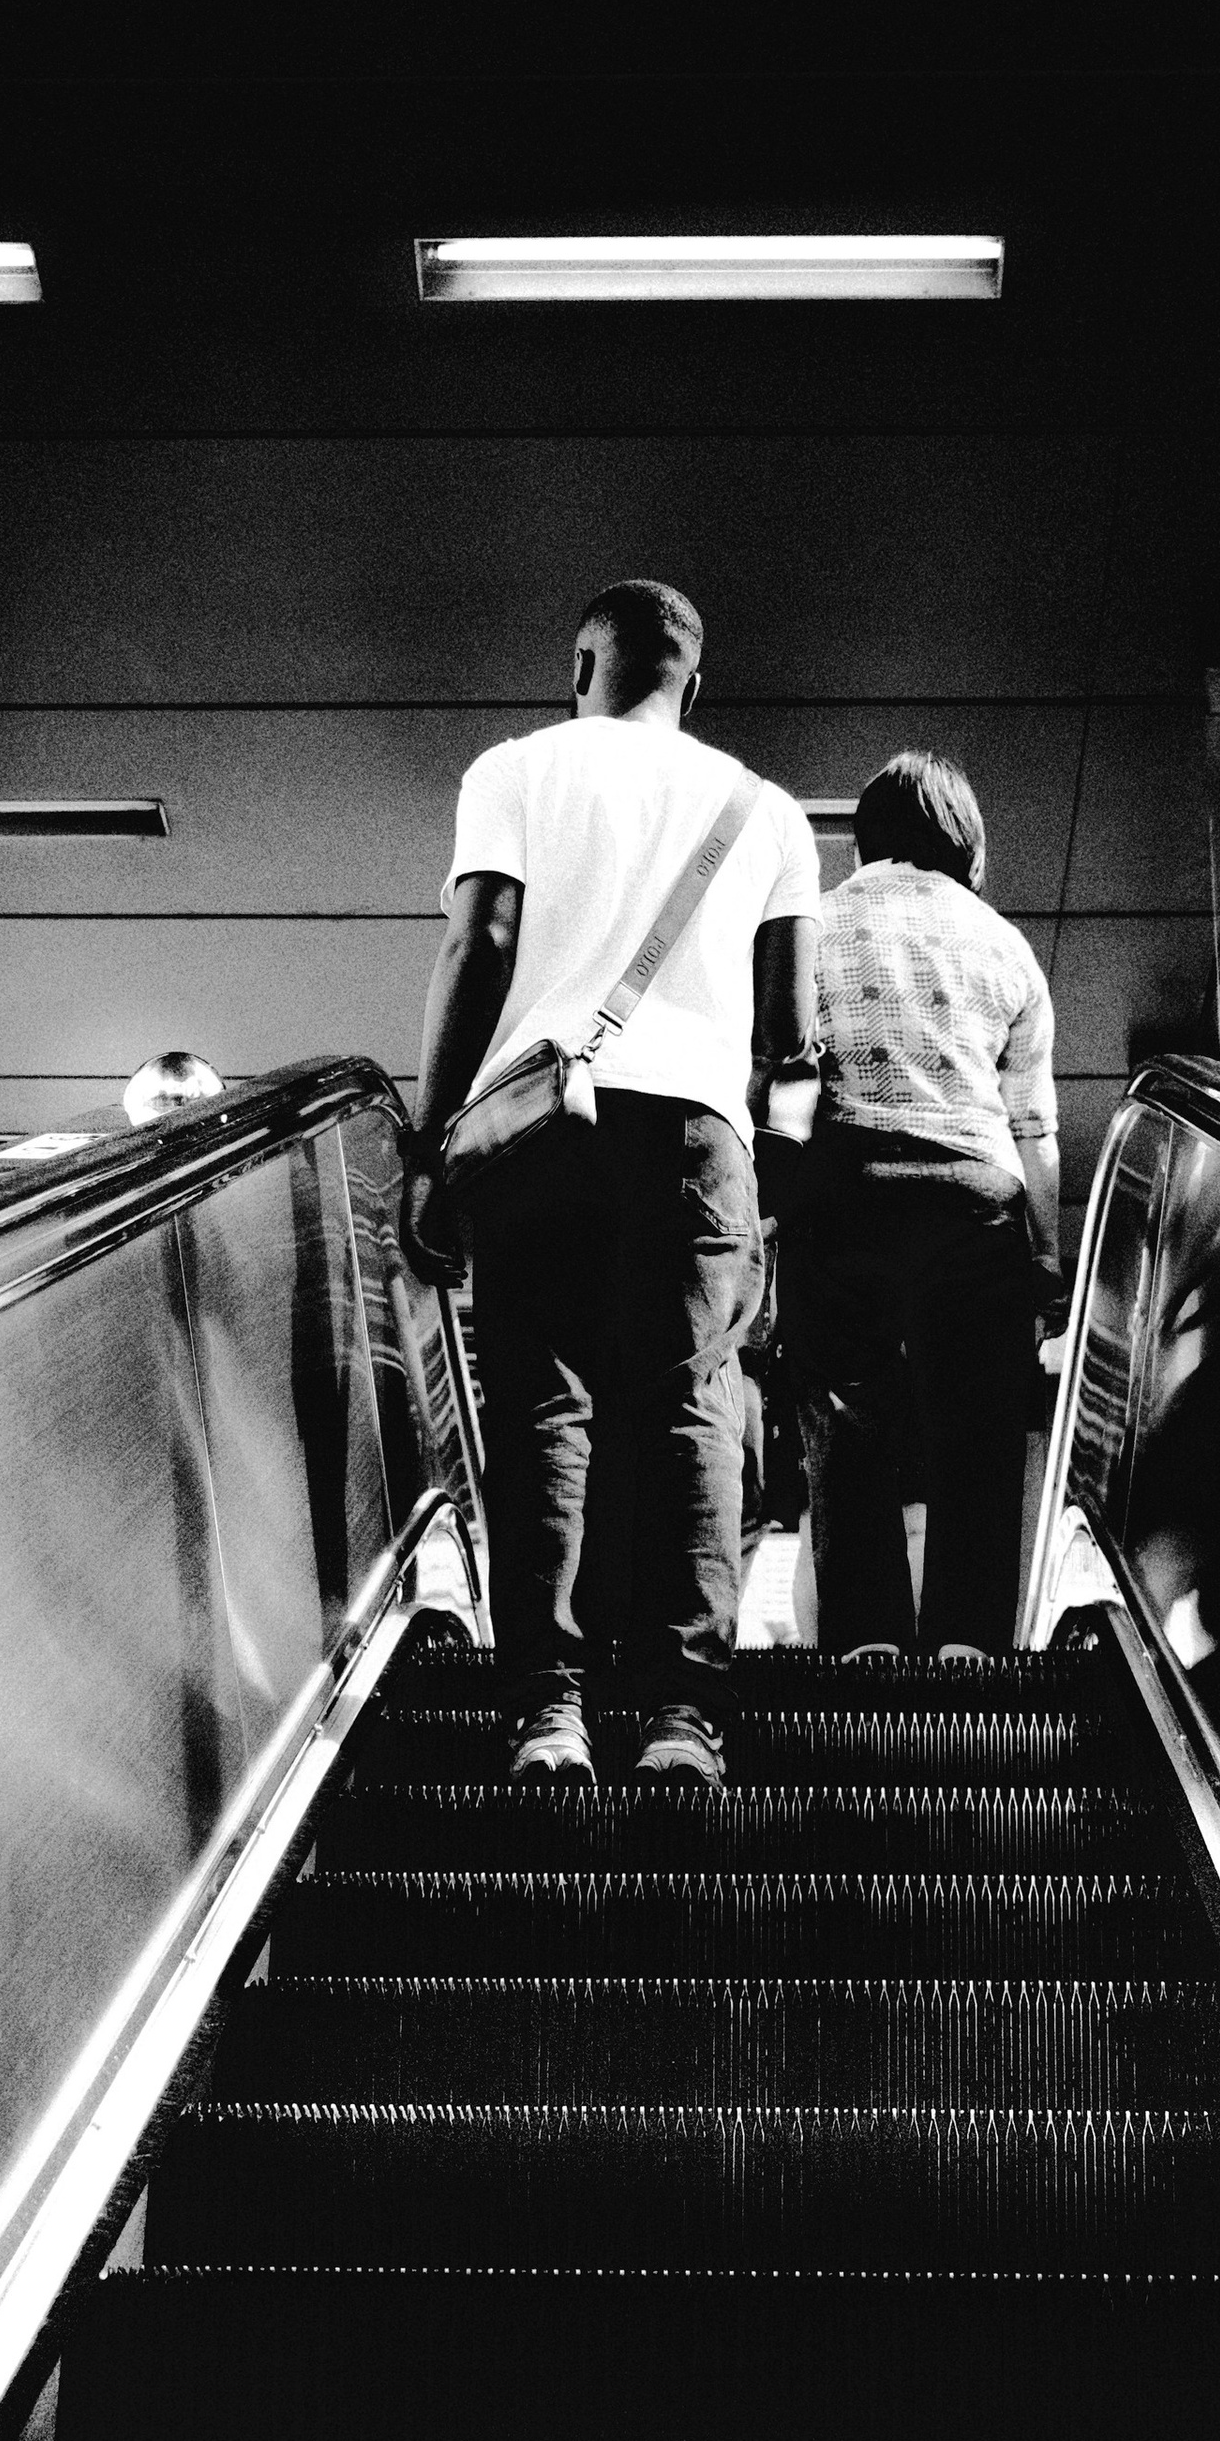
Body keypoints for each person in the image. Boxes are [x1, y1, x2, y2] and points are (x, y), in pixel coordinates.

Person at [399, 579, 818, 1782]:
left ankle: (550, 1709)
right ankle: (684, 1718)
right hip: (699, 1133)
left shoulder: (516, 769)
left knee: (544, 1402)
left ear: (580, 663)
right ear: (698, 680)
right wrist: (762, 1184)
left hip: (542, 1130)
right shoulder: (769, 812)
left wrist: (434, 1141)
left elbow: (476, 942)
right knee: (691, 1400)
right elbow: (788, 1039)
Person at [782, 748, 1058, 1657]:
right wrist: (1045, 1257)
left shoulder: (812, 926)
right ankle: (967, 1647)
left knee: (845, 1418)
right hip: (973, 1203)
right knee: (977, 1430)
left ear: (866, 839)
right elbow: (1034, 1129)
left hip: (845, 1192)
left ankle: (864, 1642)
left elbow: (780, 1076)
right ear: (965, 841)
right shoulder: (1003, 943)